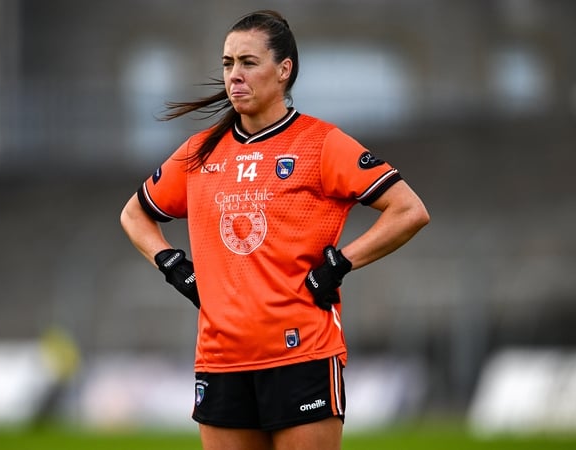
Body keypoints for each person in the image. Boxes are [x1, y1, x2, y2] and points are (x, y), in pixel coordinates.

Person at [120, 9, 429, 450]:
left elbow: (408, 209)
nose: (235, 76)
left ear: (283, 71)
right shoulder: (199, 152)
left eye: (248, 62)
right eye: (228, 64)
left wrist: (340, 264)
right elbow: (134, 214)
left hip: (302, 356)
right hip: (221, 359)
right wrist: (172, 264)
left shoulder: (320, 144)